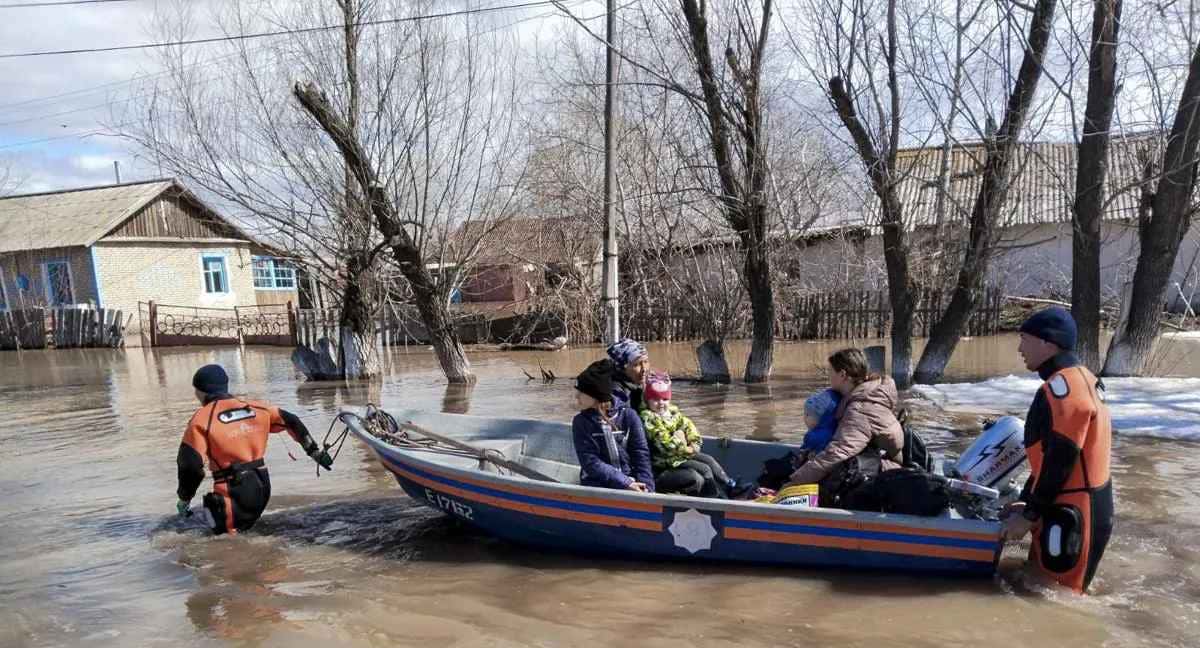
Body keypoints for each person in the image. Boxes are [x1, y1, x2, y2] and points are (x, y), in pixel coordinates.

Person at [1002, 307, 1113, 594]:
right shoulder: (1078, 379)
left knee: (1061, 598)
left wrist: (1029, 517)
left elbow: (1062, 459)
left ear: (1047, 343)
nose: (1019, 348)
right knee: (1039, 587)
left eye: (1024, 339)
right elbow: (1046, 460)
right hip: (1064, 505)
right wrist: (1028, 502)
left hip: (1074, 513)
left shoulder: (1068, 388)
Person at [176, 364, 333, 535]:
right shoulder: (257, 408)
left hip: (232, 490)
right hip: (262, 487)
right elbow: (291, 420)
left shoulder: (201, 419)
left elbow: (190, 467)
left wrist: (184, 497)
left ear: (200, 391)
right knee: (249, 532)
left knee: (222, 542)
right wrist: (314, 452)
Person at [787, 348, 904, 486]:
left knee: (827, 472)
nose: (828, 376)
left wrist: (792, 483)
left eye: (830, 371)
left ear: (842, 374)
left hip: (883, 472)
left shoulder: (860, 409)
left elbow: (837, 453)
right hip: (877, 463)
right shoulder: (866, 393)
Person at [639, 372, 738, 498]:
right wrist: (687, 448)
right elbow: (665, 444)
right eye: (655, 399)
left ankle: (730, 486)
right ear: (648, 400)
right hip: (666, 460)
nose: (661, 403)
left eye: (665, 399)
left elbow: (688, 425)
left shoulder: (672, 412)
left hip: (681, 456)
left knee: (709, 460)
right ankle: (715, 498)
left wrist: (693, 441)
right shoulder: (649, 418)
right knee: (704, 469)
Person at [571, 359, 655, 492]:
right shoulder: (581, 422)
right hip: (597, 485)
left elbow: (640, 455)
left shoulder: (629, 416)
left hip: (631, 481)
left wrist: (648, 489)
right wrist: (625, 483)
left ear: (596, 395)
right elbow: (590, 462)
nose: (576, 396)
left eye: (581, 392)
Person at [607, 337, 650, 413]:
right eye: (637, 365)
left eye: (646, 362)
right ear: (622, 368)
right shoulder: (616, 394)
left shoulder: (636, 383)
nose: (644, 369)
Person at [800, 388, 842, 453]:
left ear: (822, 417)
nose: (804, 418)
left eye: (807, 414)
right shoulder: (836, 429)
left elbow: (803, 451)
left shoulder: (812, 437)